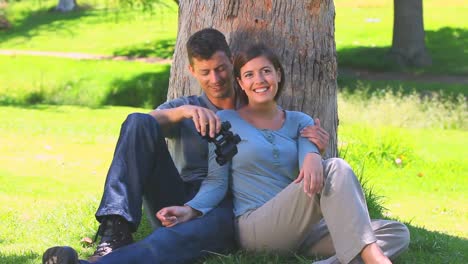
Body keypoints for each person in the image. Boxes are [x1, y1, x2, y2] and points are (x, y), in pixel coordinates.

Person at [42, 29, 329, 264]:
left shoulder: (254, 107)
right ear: (191, 70)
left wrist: (314, 148)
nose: (215, 79)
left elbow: (285, 146)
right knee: (137, 121)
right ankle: (114, 233)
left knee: (174, 240)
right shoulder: (183, 107)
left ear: (232, 63)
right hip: (179, 193)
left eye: (220, 69)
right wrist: (184, 113)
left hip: (229, 204)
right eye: (205, 72)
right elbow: (141, 125)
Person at [157, 44, 410, 264]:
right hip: (257, 226)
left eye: (266, 71)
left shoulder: (300, 120)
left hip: (305, 228)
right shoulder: (226, 121)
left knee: (396, 232)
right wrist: (190, 210)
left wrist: (311, 154)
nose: (260, 80)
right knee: (336, 168)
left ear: (278, 74)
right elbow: (217, 180)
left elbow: (310, 167)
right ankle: (375, 260)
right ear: (241, 84)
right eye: (249, 74)